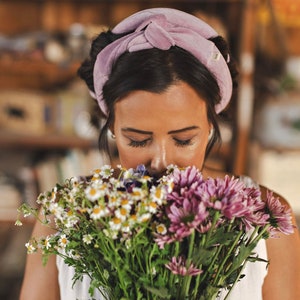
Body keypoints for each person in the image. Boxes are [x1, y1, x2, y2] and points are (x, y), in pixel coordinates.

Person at [20, 7, 300, 300]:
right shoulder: (63, 215)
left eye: (184, 139)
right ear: (112, 126)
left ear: (210, 127)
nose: (162, 163)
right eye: (138, 140)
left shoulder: (265, 219)